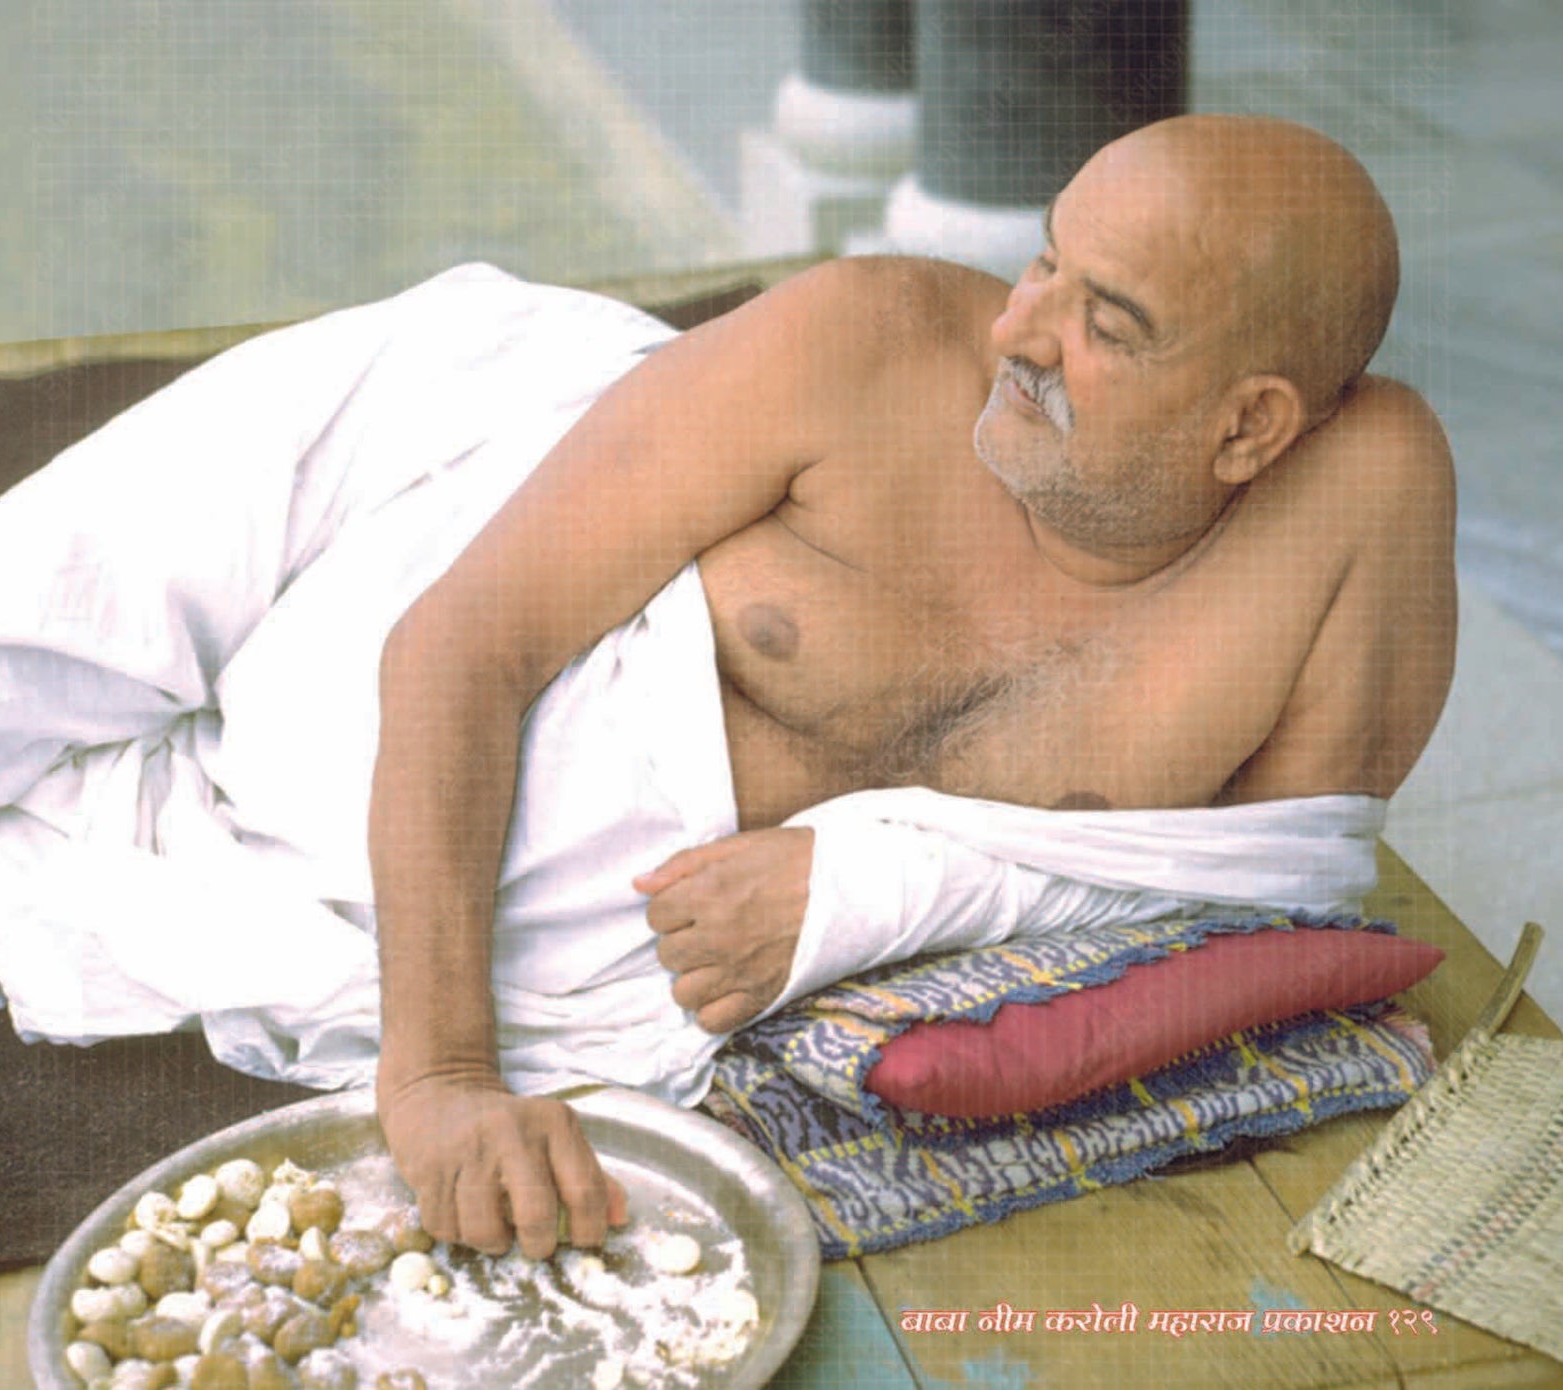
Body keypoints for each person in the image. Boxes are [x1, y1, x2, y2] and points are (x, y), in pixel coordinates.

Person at [371, 113, 1455, 1260]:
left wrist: (884, 887)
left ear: (1247, 427)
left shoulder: (1355, 502)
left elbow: (1277, 911)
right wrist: (440, 1075)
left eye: (1103, 325)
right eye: (1043, 260)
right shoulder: (861, 341)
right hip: (440, 737)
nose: (1015, 332)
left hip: (738, 1003)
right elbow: (458, 642)